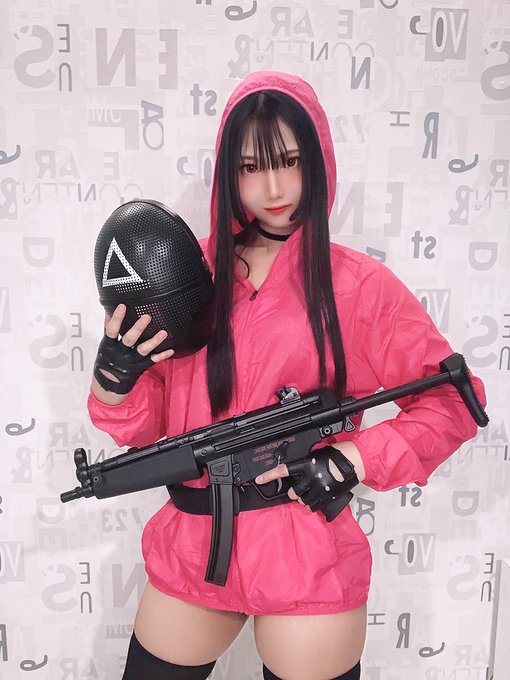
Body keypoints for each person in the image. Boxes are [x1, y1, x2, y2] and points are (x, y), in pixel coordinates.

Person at [88, 71, 485, 680]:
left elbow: (454, 399)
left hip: (305, 548)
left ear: (317, 161)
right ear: (229, 175)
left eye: (290, 161)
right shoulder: (187, 273)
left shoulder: (357, 286)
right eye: (251, 167)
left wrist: (355, 458)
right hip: (196, 543)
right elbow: (148, 430)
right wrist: (116, 380)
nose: (273, 188)